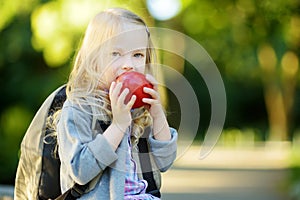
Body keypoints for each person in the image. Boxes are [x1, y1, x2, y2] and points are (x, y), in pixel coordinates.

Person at [55, 7, 178, 200]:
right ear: (94, 59)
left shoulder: (138, 109)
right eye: (116, 54)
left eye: (137, 55)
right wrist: (119, 125)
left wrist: (157, 115)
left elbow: (165, 162)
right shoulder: (78, 109)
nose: (128, 63)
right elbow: (80, 171)